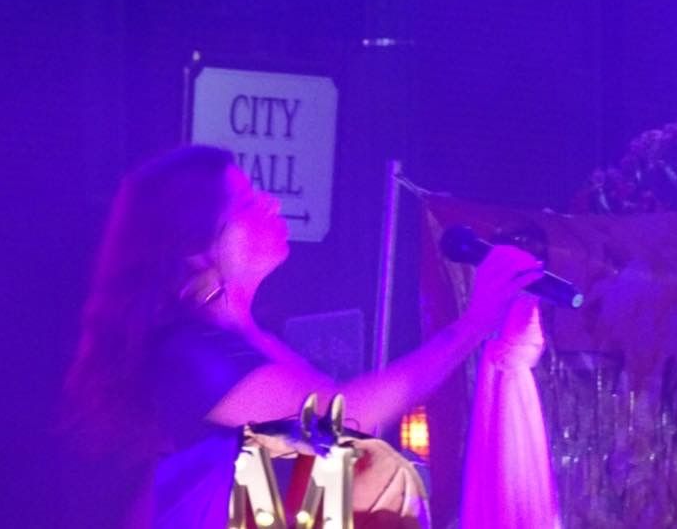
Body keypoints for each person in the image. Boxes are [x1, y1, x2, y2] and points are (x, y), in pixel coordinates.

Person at [63, 145, 543, 527]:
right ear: (195, 243)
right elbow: (344, 416)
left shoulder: (252, 340)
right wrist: (473, 324)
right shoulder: (190, 354)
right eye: (246, 203)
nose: (271, 204)